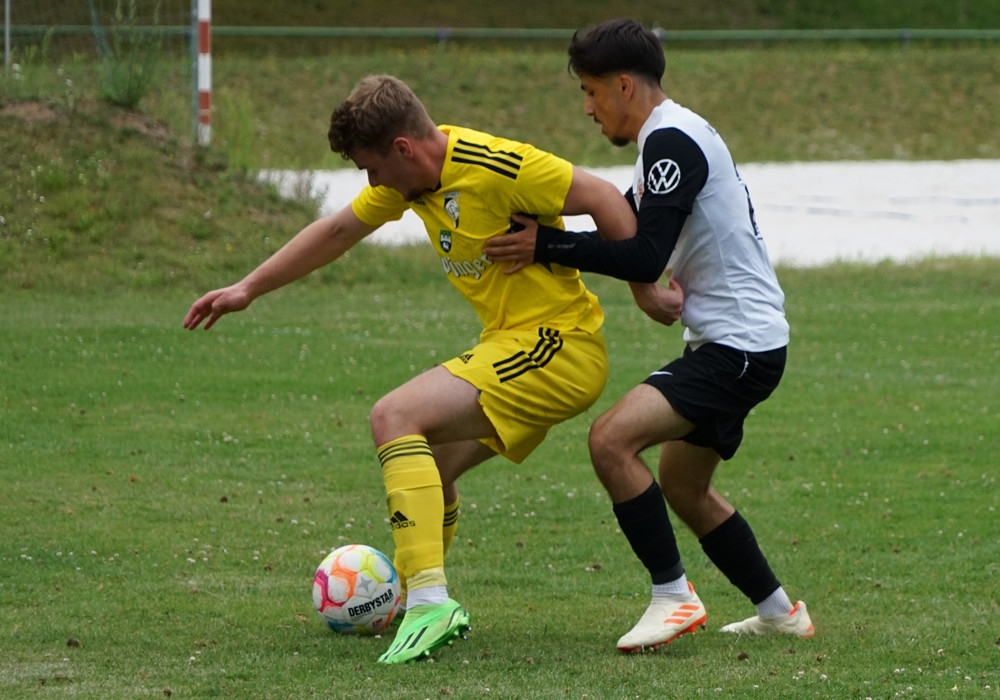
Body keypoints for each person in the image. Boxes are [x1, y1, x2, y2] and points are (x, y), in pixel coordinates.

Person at [183, 74, 671, 664]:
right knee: (430, 469)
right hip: (513, 345)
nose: (372, 184)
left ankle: (430, 604)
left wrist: (646, 293)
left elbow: (605, 197)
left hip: (559, 346)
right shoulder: (413, 183)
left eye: (372, 169)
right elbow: (338, 230)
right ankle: (411, 597)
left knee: (393, 415)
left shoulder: (498, 165)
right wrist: (247, 288)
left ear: (403, 148)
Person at [484, 18, 814, 652]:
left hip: (739, 347)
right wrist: (541, 220)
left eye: (590, 91)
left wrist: (546, 246)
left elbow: (643, 254)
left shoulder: (671, 141)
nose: (587, 108)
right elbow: (628, 225)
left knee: (610, 441)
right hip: (738, 343)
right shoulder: (669, 137)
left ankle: (673, 596)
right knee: (685, 488)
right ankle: (780, 613)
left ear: (624, 86)